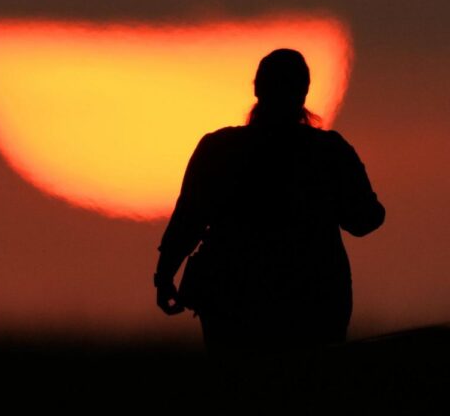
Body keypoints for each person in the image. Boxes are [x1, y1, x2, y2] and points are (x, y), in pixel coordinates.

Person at [154, 48, 385, 356]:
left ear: (257, 89)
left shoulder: (219, 150)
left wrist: (165, 275)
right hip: (314, 304)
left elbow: (188, 220)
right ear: (303, 92)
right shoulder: (329, 153)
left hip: (233, 301)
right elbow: (365, 219)